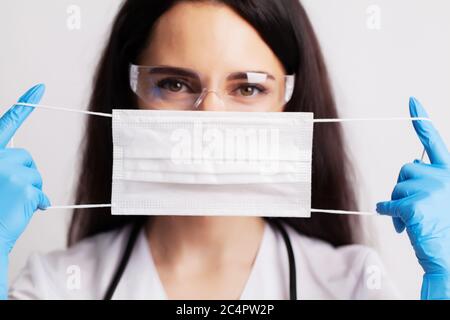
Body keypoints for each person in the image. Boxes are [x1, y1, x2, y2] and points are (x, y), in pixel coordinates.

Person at [1, 0, 449, 300]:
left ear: (288, 102)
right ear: (130, 95)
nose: (209, 117)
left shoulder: (353, 285)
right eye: (174, 84)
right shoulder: (57, 286)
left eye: (248, 87)